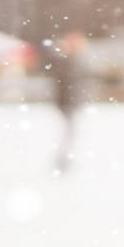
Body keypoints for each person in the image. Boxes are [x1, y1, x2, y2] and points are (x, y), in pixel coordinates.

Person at [43, 31, 88, 173]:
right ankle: (62, 159)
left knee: (69, 133)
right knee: (67, 133)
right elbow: (65, 85)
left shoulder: (72, 62)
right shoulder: (66, 62)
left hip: (69, 104)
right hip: (66, 104)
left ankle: (63, 158)